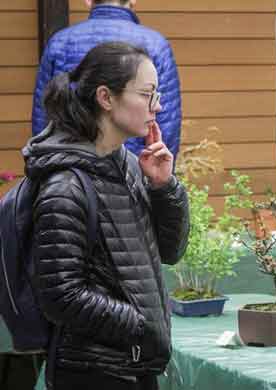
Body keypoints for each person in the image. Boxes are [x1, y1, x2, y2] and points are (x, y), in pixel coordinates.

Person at [24, 41, 189, 390]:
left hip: (134, 364)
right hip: (92, 373)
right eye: (147, 94)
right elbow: (60, 296)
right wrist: (138, 323)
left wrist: (164, 187)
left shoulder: (127, 165)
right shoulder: (65, 186)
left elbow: (171, 251)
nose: (156, 107)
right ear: (106, 97)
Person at [31, 0, 182, 159]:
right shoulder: (155, 44)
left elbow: (43, 118)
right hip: (135, 170)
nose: (156, 106)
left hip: (69, 164)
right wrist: (154, 177)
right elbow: (167, 124)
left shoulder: (59, 43)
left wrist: (50, 169)